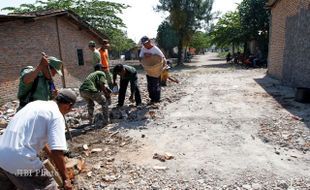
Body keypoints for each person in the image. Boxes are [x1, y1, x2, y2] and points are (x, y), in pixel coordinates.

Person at [0, 89, 76, 190]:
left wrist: (51, 156)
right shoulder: (56, 116)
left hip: (2, 156)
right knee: (49, 186)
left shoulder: (35, 104)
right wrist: (66, 178)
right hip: (21, 161)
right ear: (68, 105)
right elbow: (57, 150)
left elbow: (37, 136)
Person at [139, 36, 166, 104]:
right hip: (149, 70)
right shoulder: (143, 48)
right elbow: (140, 58)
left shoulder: (155, 49)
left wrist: (164, 67)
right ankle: (152, 99)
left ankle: (157, 99)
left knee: (156, 85)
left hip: (157, 70)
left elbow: (163, 58)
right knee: (150, 86)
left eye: (146, 43)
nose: (145, 45)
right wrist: (145, 56)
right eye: (143, 44)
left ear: (149, 41)